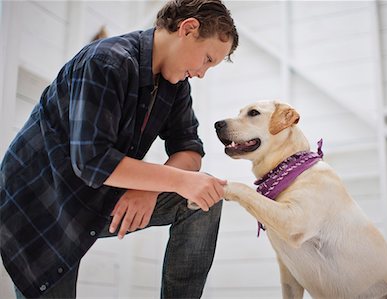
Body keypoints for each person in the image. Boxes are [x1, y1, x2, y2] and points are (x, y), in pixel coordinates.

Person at [0, 0, 239, 298]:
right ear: (188, 29)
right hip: (44, 200)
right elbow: (92, 161)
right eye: (207, 59)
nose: (202, 73)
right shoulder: (107, 61)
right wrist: (175, 180)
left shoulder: (176, 85)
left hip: (99, 193)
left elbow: (190, 150)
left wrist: (150, 189)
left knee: (204, 199)